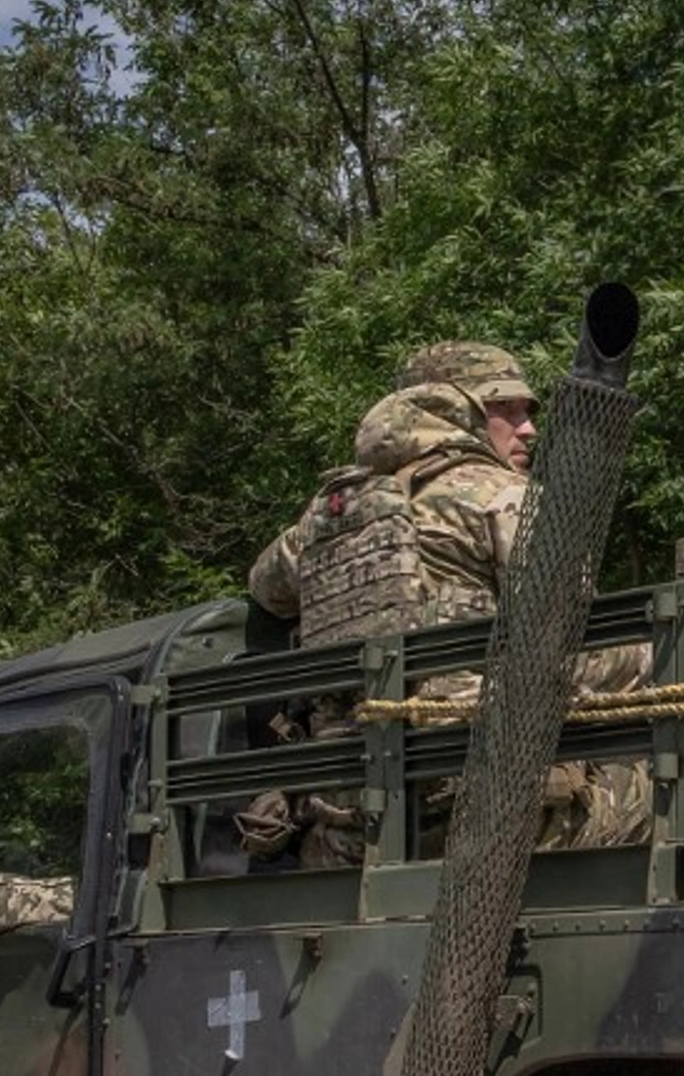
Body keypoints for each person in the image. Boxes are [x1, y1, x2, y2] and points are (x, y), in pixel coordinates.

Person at [243, 341, 648, 863]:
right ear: (453, 409)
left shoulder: (332, 514)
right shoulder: (507, 498)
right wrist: (648, 655)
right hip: (483, 814)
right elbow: (577, 646)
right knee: (660, 770)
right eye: (504, 410)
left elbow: (265, 588)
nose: (528, 428)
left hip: (351, 829)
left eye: (527, 412)